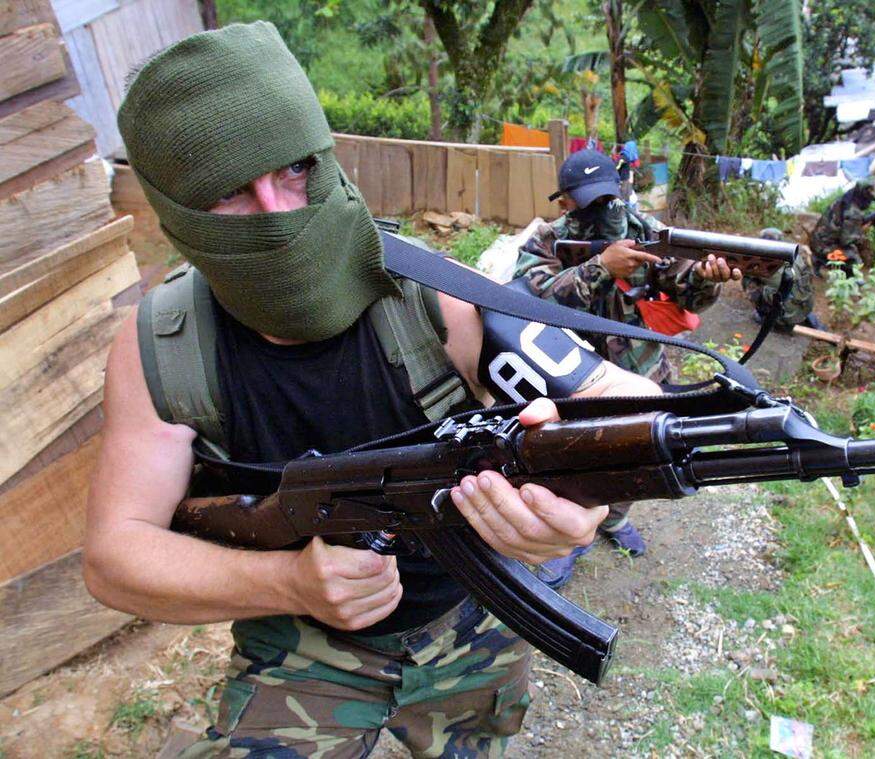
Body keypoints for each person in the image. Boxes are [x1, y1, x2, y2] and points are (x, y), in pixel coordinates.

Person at [83, 23, 659, 758]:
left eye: (295, 169)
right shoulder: (161, 346)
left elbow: (617, 399)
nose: (278, 211)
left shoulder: (433, 293)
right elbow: (113, 553)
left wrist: (585, 498)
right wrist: (291, 582)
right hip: (302, 641)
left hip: (469, 617)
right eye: (230, 192)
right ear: (177, 220)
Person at [513, 149, 741, 588]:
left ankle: (613, 519)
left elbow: (686, 293)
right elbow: (528, 301)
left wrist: (708, 278)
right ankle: (571, 536)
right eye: (589, 201)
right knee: (571, 456)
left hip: (640, 372)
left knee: (634, 453)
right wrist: (601, 267)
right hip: (569, 377)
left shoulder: (646, 232)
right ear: (565, 203)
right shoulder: (546, 239)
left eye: (608, 197)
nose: (604, 209)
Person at [743, 228, 824, 332]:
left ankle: (769, 318)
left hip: (785, 318)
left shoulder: (760, 262)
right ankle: (801, 314)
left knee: (749, 280)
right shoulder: (797, 255)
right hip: (805, 306)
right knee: (795, 286)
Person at [809, 180, 875, 275]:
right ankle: (823, 261)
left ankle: (818, 259)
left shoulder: (845, 200)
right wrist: (863, 230)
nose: (873, 194)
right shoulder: (853, 212)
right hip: (824, 245)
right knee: (854, 258)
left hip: (816, 240)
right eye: (870, 191)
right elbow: (846, 240)